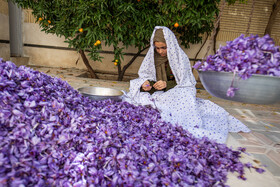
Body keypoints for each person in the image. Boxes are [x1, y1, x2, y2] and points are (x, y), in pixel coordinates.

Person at [122, 26, 250, 143]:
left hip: (176, 91)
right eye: (158, 48)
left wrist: (166, 84)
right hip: (158, 93)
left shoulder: (179, 58)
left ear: (170, 45)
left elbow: (185, 82)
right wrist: (146, 85)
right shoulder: (152, 58)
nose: (160, 51)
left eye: (164, 47)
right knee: (139, 96)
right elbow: (146, 78)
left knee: (182, 98)